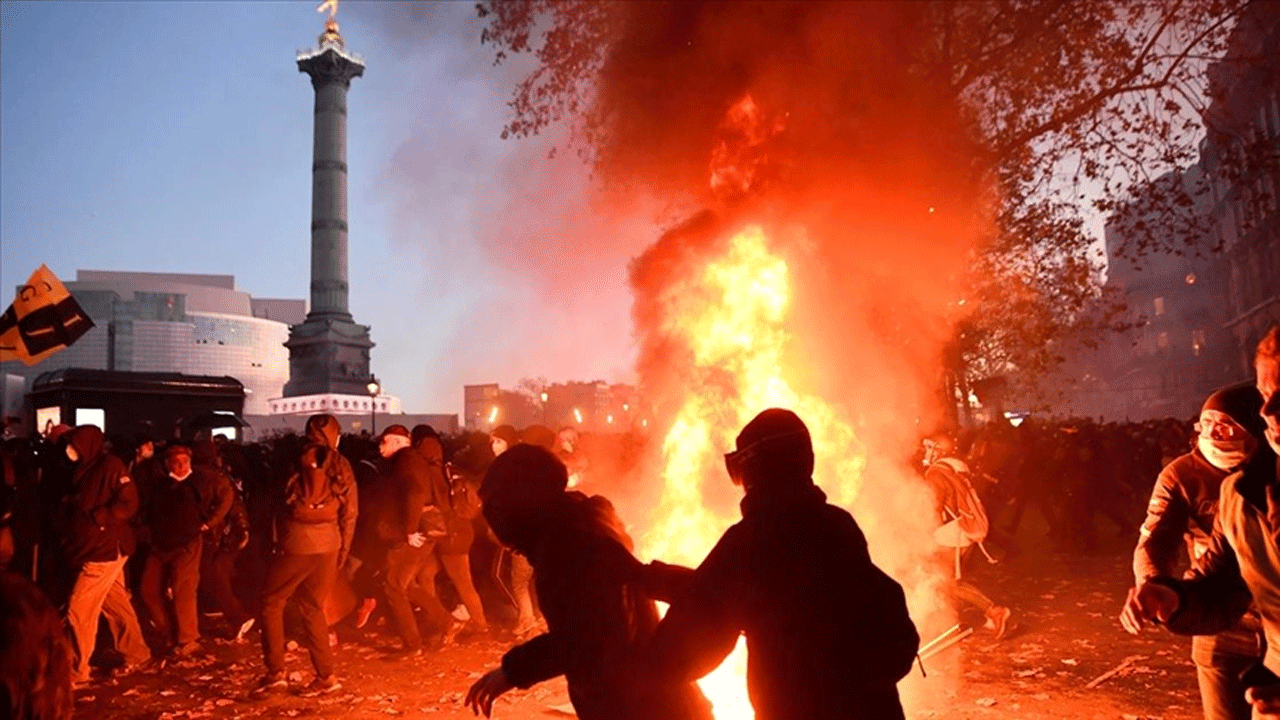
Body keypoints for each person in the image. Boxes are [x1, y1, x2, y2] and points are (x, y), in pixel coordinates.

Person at [643, 408, 919, 720]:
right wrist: (667, 581)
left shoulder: (748, 542)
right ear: (807, 461)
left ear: (752, 471)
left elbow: (695, 633)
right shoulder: (838, 525)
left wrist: (641, 667)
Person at [464, 444, 712, 720]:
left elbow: (587, 637)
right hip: (650, 697)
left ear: (520, 507)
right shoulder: (583, 521)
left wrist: (514, 670)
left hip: (636, 705)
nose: (509, 544)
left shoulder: (569, 547)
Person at [1121, 324, 1280, 718]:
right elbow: (1220, 581)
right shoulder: (1240, 495)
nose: (1269, 412)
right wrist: (1168, 594)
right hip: (1235, 639)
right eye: (1264, 395)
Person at [254, 414, 357, 697]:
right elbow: (350, 513)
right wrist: (342, 552)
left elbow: (275, 503)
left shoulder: (293, 459)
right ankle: (326, 676)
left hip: (297, 543)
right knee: (313, 607)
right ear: (335, 434)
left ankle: (276, 673)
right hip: (330, 545)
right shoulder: (342, 464)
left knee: (271, 601)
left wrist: (276, 541)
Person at [59, 425, 152, 683]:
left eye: (74, 444)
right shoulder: (85, 469)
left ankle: (76, 670)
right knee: (115, 604)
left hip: (105, 550)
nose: (70, 450)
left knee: (79, 609)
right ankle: (137, 653)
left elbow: (129, 501)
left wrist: (102, 518)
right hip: (97, 547)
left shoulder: (110, 465)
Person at [140, 444, 233, 655]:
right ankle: (169, 632)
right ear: (167, 464)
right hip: (160, 544)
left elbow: (228, 495)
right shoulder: (159, 483)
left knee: (184, 590)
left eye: (185, 462)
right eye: (177, 462)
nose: (182, 466)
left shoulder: (202, 480)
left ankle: (188, 639)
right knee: (149, 589)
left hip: (188, 543)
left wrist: (210, 523)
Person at [922, 436, 1013, 640]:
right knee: (948, 581)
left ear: (939, 451)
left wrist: (921, 530)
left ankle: (995, 611)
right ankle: (949, 622)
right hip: (963, 530)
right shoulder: (956, 469)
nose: (925, 452)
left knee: (946, 582)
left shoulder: (936, 473)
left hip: (951, 534)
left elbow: (933, 508)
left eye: (929, 447)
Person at [377, 424, 457, 656]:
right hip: (424, 531)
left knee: (394, 586)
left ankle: (412, 645)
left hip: (414, 534)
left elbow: (415, 494)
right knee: (407, 585)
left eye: (383, 441)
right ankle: (446, 623)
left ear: (396, 441)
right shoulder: (416, 460)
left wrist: (409, 531)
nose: (380, 447)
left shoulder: (405, 461)